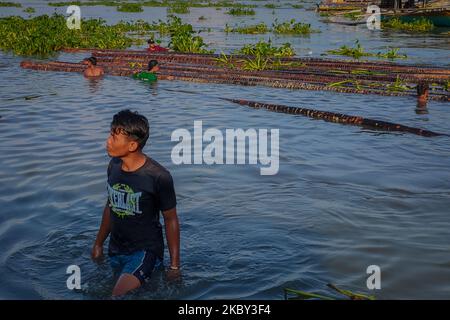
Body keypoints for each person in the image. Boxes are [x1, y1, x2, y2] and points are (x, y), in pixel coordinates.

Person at [92, 110, 180, 297]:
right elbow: (111, 206)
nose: (108, 141)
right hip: (116, 249)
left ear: (132, 145)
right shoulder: (113, 166)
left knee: (117, 294)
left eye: (114, 137)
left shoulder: (158, 176)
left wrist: (174, 266)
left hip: (146, 252)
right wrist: (98, 243)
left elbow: (171, 220)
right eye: (110, 134)